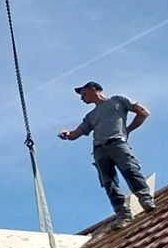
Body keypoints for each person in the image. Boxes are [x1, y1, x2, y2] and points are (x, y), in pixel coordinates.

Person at [59, 81, 155, 225]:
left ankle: (145, 199)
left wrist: (128, 130)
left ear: (93, 89)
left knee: (130, 170)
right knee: (109, 183)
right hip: (99, 149)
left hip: (117, 142)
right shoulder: (91, 116)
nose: (82, 98)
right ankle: (123, 214)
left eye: (83, 93)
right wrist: (67, 134)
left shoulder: (118, 100)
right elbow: (76, 133)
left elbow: (143, 113)